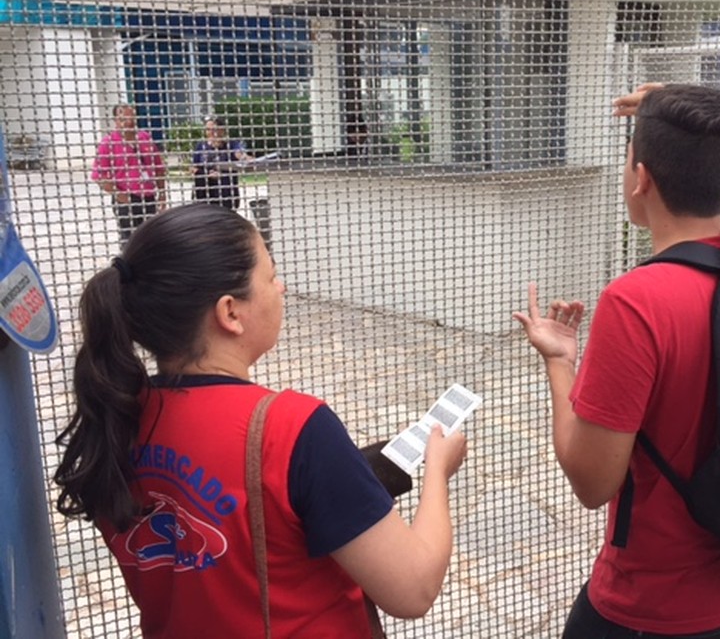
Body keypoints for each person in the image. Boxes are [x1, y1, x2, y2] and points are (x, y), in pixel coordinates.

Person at [54, 203, 467, 638]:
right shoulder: (295, 429)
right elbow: (413, 589)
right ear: (230, 312)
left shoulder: (115, 415)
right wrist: (437, 470)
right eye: (270, 276)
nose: (281, 287)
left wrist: (345, 477)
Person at [513, 83, 720, 639]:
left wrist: (559, 361)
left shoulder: (638, 301)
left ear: (641, 178)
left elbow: (592, 482)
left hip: (656, 608)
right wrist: (691, 124)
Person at [91, 104, 167, 246]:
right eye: (124, 119)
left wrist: (162, 193)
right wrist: (120, 195)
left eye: (132, 117)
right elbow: (98, 175)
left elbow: (159, 168)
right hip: (127, 198)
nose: (129, 122)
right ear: (116, 121)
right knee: (130, 241)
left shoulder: (145, 138)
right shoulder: (108, 143)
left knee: (150, 238)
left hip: (148, 197)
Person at [191, 117, 250, 210]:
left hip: (227, 193)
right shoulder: (200, 146)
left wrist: (244, 157)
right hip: (205, 192)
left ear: (222, 131)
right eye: (207, 130)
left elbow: (239, 154)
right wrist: (207, 175)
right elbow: (193, 168)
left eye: (214, 129)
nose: (210, 133)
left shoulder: (231, 144)